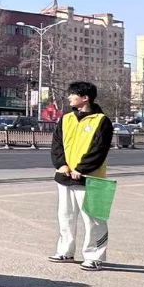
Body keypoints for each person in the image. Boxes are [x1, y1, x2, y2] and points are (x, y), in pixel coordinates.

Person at [49, 81, 114, 270]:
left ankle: (94, 256)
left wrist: (81, 169)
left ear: (85, 98)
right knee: (66, 216)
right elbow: (57, 144)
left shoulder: (102, 121)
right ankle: (65, 251)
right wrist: (61, 164)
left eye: (73, 94)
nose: (69, 97)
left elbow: (99, 150)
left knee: (94, 219)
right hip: (65, 176)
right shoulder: (66, 119)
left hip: (92, 178)